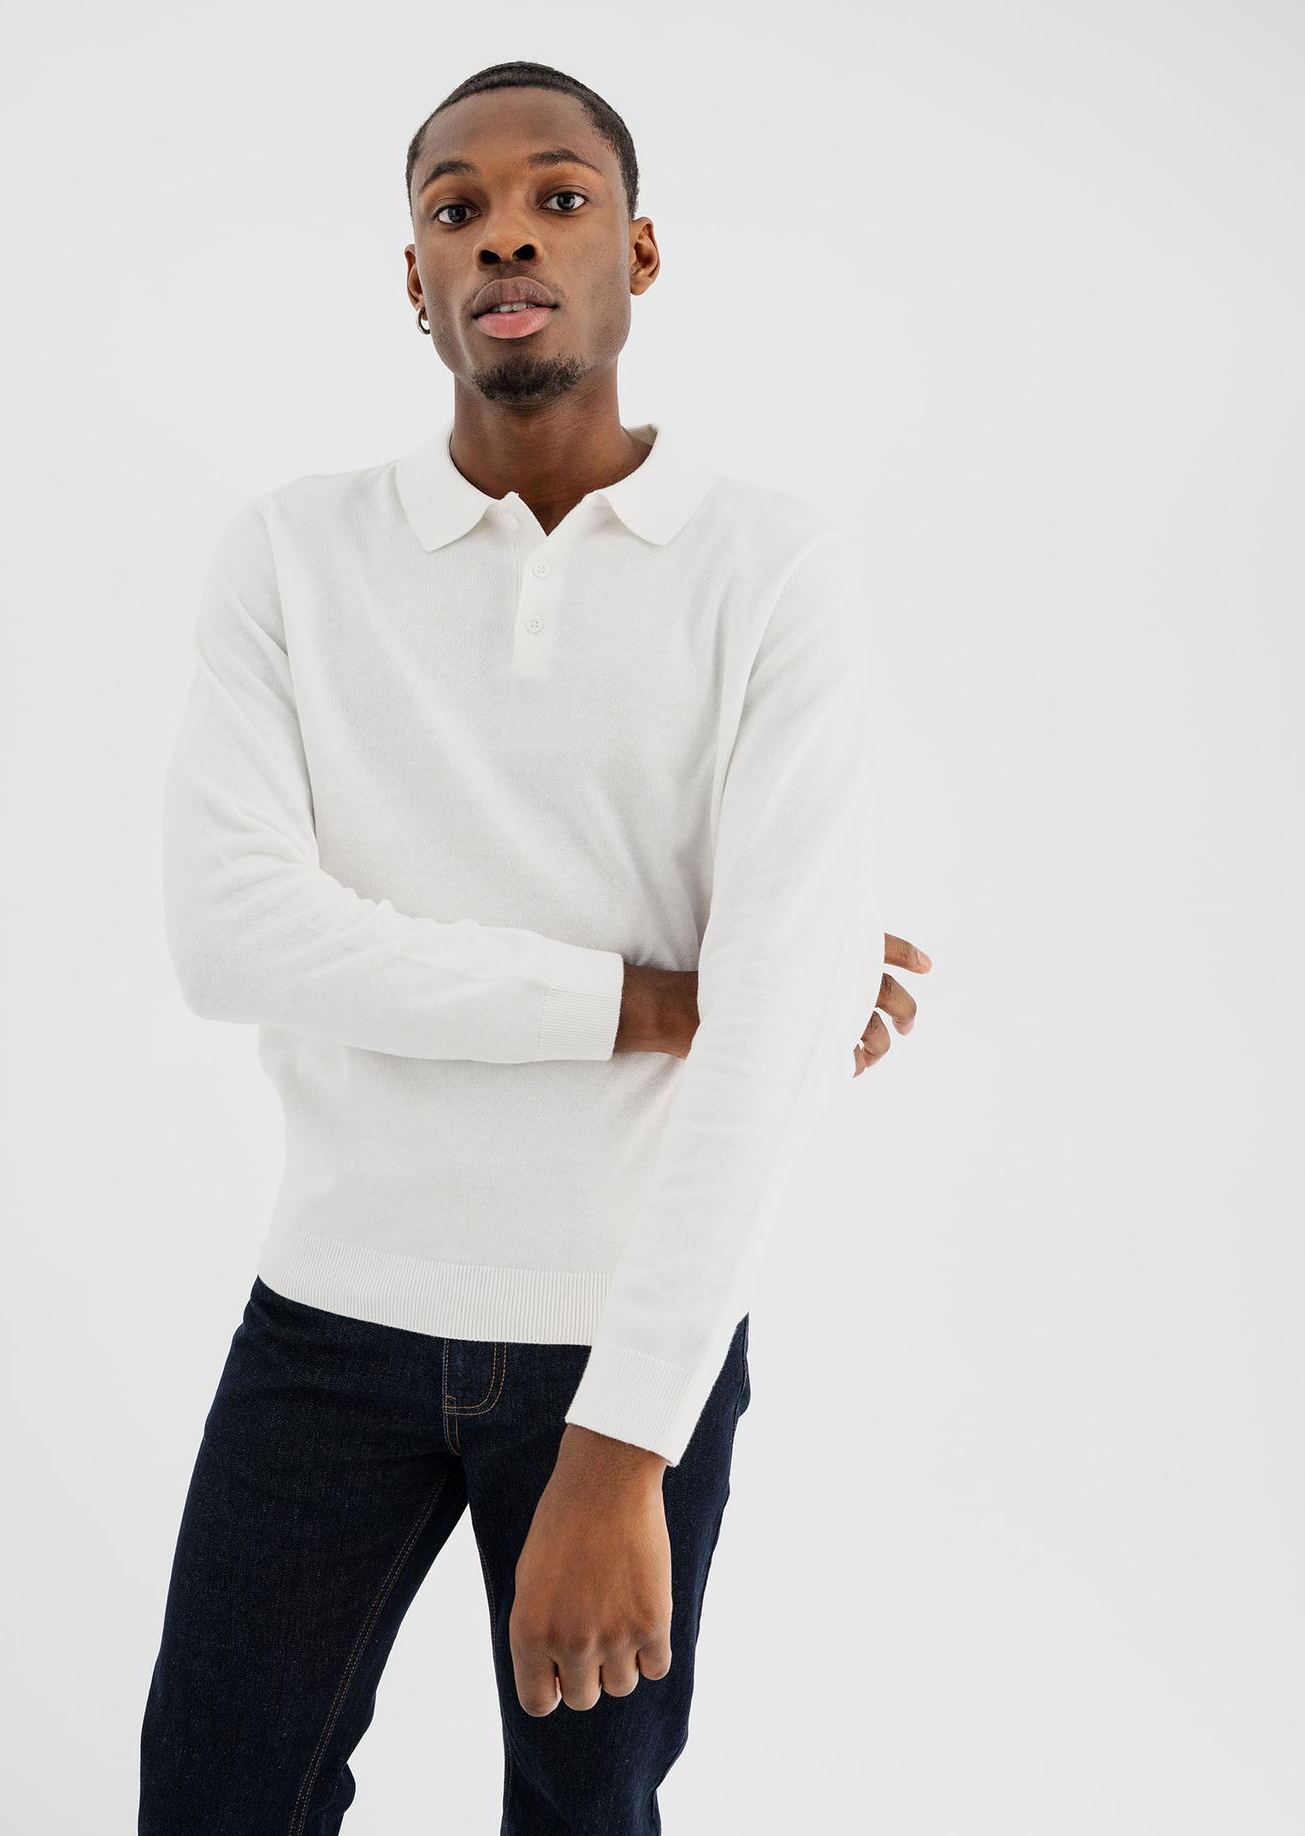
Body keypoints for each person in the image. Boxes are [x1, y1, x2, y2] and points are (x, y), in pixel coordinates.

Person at [139, 58, 932, 1836]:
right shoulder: (291, 554)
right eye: (457, 208)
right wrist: (662, 998)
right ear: (413, 280)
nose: (505, 232)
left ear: (636, 253)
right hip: (328, 1318)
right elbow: (231, 935)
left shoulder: (769, 565)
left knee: (586, 1822)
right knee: (210, 1802)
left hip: (624, 1328)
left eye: (558, 196)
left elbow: (780, 1043)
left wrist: (626, 1436)